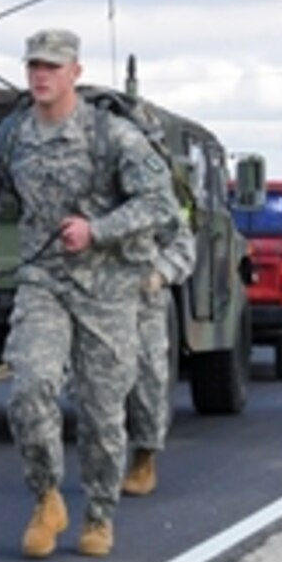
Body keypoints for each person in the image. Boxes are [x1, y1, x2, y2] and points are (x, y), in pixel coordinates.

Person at [0, 29, 179, 558]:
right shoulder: (11, 137)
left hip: (109, 290)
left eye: (52, 66)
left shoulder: (114, 136)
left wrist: (97, 230)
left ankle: (99, 515)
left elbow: (161, 203)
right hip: (43, 283)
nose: (41, 75)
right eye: (34, 64)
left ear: (74, 72)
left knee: (102, 412)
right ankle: (47, 497)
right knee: (29, 388)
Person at [121, 210, 195, 497]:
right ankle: (101, 467)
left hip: (142, 296)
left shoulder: (146, 183)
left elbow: (182, 242)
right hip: (93, 298)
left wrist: (161, 274)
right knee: (91, 388)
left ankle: (144, 457)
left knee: (147, 378)